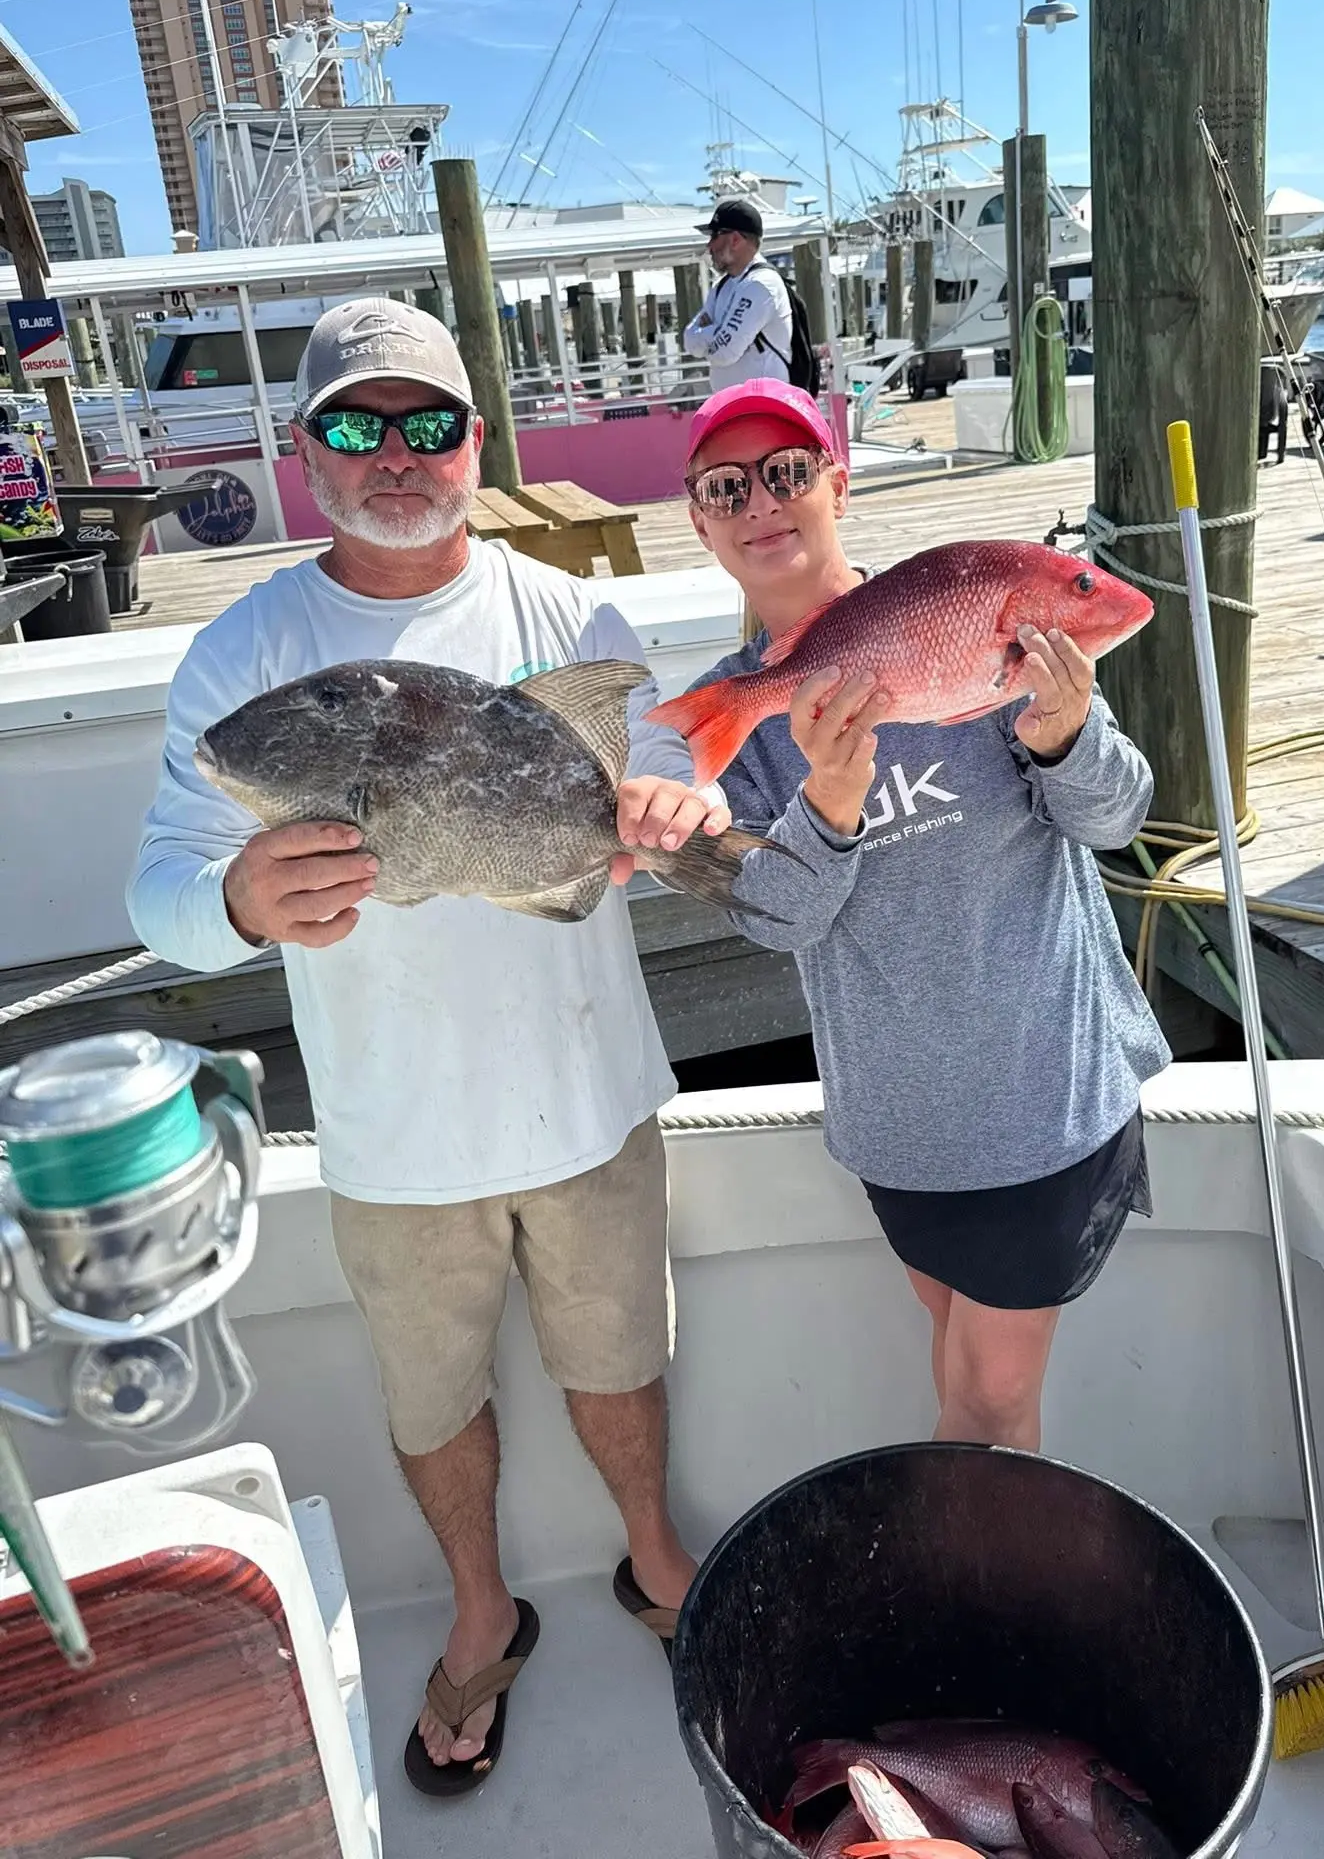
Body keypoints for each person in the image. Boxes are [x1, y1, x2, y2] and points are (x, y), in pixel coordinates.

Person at [127, 296, 725, 1797]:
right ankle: (480, 1605)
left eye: (426, 422)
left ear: (475, 437)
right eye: (351, 424)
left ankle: (658, 1562)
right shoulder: (245, 656)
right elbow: (161, 896)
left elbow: (648, 760)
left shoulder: (568, 613)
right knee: (431, 1402)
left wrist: (668, 810)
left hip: (590, 1093)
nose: (393, 454)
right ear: (302, 445)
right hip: (394, 1135)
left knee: (618, 1357)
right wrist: (238, 903)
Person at [673, 377, 1171, 1454]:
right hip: (901, 1123)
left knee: (989, 1402)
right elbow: (776, 919)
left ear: (836, 487)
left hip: (1047, 1096)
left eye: (788, 472)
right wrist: (831, 808)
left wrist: (1062, 734)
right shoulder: (733, 714)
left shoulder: (990, 623)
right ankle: (978, 1590)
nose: (763, 502)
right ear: (700, 522)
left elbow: (1120, 815)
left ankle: (973, 1602)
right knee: (954, 1353)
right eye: (729, 486)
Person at [683, 198, 793, 391]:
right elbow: (688, 339)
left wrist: (709, 333)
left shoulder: (760, 284)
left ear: (735, 239)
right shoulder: (721, 285)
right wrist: (718, 333)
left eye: (715, 236)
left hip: (763, 407)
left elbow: (724, 353)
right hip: (735, 409)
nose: (710, 245)